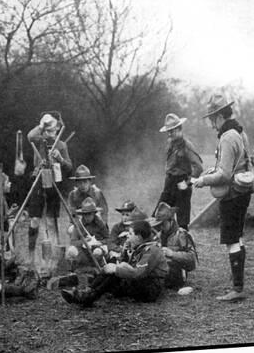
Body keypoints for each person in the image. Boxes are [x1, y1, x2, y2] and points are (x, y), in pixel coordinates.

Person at [193, 94, 252, 302]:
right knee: (238, 235)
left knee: (231, 239)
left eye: (211, 119)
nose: (211, 125)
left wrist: (203, 181)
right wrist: (213, 169)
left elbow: (225, 175)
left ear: (219, 116)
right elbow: (238, 163)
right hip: (242, 192)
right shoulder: (239, 132)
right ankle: (239, 282)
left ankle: (237, 289)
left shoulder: (227, 137)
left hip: (232, 194)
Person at [61, 219, 169, 307]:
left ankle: (88, 296)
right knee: (112, 267)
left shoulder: (152, 250)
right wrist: (125, 253)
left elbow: (138, 274)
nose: (128, 236)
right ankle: (87, 292)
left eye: (130, 234)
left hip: (150, 289)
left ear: (139, 237)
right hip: (140, 283)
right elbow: (124, 264)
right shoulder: (138, 247)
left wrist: (116, 269)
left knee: (114, 273)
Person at [26, 111, 73, 266]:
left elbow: (69, 168)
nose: (51, 133)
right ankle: (31, 254)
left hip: (54, 184)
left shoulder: (61, 145)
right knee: (34, 220)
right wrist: (42, 124)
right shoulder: (39, 139)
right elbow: (29, 136)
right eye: (48, 129)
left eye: (54, 129)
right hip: (38, 182)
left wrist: (60, 159)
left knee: (52, 221)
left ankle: (54, 257)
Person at [156, 113, 203, 230]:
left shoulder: (187, 145)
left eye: (172, 131)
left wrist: (187, 183)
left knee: (182, 222)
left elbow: (198, 167)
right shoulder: (170, 144)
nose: (169, 134)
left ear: (179, 129)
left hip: (182, 184)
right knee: (160, 215)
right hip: (169, 183)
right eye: (168, 131)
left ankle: (183, 245)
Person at [153, 202, 197, 289]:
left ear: (171, 221)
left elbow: (192, 260)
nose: (161, 227)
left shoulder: (181, 235)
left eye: (163, 224)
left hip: (177, 272)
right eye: (159, 225)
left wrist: (172, 254)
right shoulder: (158, 235)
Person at [66, 197, 110, 269]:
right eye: (85, 214)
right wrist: (84, 241)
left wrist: (99, 242)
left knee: (97, 252)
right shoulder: (79, 224)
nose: (87, 217)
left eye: (89, 214)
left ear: (94, 213)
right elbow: (73, 241)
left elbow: (108, 239)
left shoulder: (100, 223)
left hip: (97, 249)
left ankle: (99, 267)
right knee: (71, 251)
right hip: (83, 250)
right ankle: (76, 268)